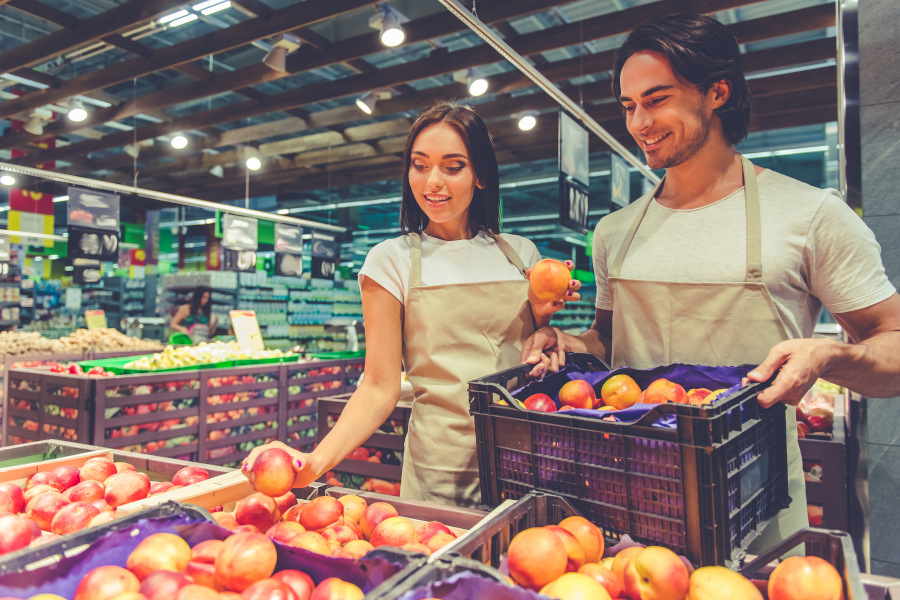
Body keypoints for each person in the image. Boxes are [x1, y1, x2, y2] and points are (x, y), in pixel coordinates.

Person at [521, 13, 900, 549]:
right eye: (628, 106)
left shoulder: (810, 215)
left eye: (656, 99)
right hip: (626, 500)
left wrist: (827, 356)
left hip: (755, 502)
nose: (638, 122)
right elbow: (608, 344)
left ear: (717, 92)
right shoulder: (615, 232)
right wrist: (563, 342)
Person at [243, 102, 580, 507]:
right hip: (441, 471)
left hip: (526, 461)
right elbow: (378, 386)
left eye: (452, 167)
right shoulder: (391, 261)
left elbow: (521, 358)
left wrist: (544, 327)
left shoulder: (521, 254)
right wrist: (316, 461)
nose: (432, 182)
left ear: (481, 176)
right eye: (420, 166)